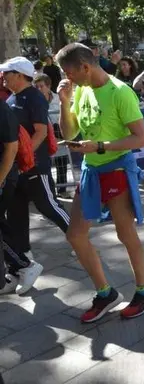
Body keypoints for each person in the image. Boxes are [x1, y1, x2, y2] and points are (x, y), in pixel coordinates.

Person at [55, 42, 144, 323]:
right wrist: (64, 102)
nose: (66, 78)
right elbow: (70, 131)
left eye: (68, 72)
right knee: (75, 234)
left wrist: (99, 146)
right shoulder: (81, 90)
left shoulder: (121, 92)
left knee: (126, 235)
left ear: (85, 67)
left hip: (118, 169)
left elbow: (141, 138)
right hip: (91, 171)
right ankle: (105, 293)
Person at [1, 57, 70, 270]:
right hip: (17, 169)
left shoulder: (34, 98)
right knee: (16, 214)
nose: (3, 77)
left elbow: (40, 132)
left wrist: (23, 157)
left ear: (21, 75)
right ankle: (22, 258)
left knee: (48, 206)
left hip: (34, 166)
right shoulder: (12, 98)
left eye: (7, 73)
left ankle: (77, 236)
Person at [0, 95, 44, 295]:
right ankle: (14, 270)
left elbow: (12, 147)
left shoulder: (3, 109)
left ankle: (23, 265)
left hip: (4, 176)